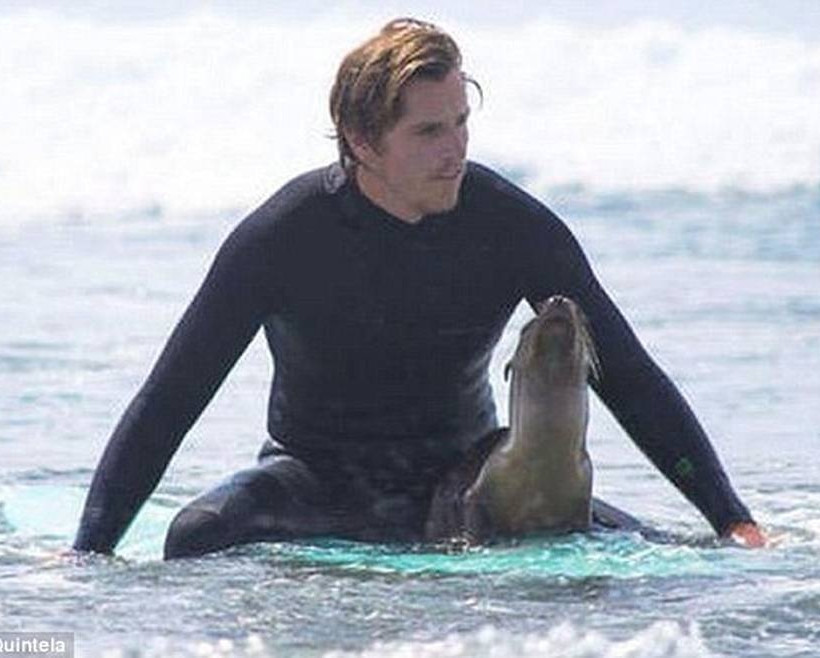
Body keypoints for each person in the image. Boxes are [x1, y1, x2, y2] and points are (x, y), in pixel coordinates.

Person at [73, 18, 766, 559]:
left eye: (462, 122)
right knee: (195, 536)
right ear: (362, 141)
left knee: (647, 553)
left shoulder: (510, 225)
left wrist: (731, 519)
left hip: (469, 478)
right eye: (429, 131)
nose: (455, 149)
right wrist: (90, 552)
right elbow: (170, 398)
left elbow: (629, 375)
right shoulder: (284, 236)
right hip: (317, 480)